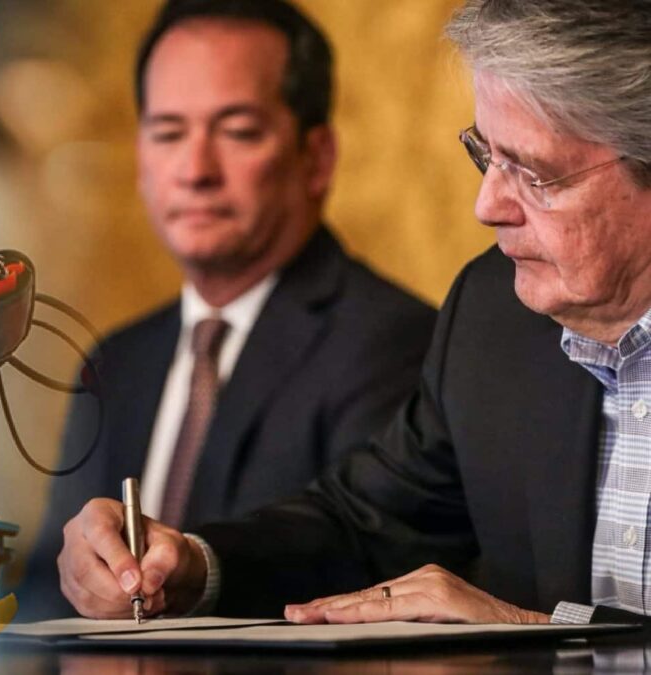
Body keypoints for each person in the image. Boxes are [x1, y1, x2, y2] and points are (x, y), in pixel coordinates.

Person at [56, 0, 651, 625]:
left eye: (534, 174)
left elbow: (527, 629)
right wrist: (193, 566)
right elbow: (366, 526)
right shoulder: (493, 315)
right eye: (487, 156)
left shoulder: (391, 334)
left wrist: (536, 632)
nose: (487, 205)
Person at [21, 0, 436, 618]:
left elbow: (365, 561)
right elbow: (44, 593)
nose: (195, 170)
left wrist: (197, 569)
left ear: (316, 158)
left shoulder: (393, 342)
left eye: (238, 131)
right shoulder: (117, 361)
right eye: (168, 133)